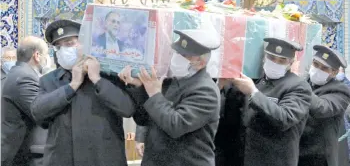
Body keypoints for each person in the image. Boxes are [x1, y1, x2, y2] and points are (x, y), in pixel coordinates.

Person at [30, 19, 136, 166]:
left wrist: (97, 79)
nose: (64, 50)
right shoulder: (49, 80)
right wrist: (72, 86)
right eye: (58, 47)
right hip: (62, 159)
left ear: (86, 43)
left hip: (102, 159)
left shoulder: (109, 76)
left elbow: (127, 109)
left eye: (69, 44)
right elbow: (38, 113)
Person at [119, 29, 221, 166]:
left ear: (201, 62)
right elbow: (144, 118)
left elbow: (175, 125)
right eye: (177, 53)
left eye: (185, 56)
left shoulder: (206, 90)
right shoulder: (170, 81)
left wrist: (154, 93)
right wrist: (139, 87)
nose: (178, 57)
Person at [222, 37, 312, 166]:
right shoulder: (256, 80)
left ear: (290, 63)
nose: (275, 63)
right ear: (264, 57)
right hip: (245, 157)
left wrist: (254, 92)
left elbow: (285, 118)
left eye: (282, 61)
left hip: (273, 160)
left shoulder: (298, 87)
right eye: (272, 58)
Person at [1, 36, 49, 166]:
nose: (47, 59)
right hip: (20, 155)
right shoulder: (24, 77)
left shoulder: (19, 72)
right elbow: (41, 113)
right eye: (46, 55)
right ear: (37, 55)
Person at [299, 45, 350, 166]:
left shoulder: (340, 90)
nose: (317, 70)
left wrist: (298, 84)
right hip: (298, 152)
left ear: (334, 72)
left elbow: (321, 108)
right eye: (315, 64)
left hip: (319, 157)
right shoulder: (306, 82)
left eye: (324, 68)